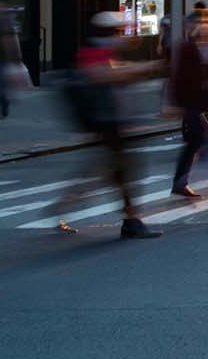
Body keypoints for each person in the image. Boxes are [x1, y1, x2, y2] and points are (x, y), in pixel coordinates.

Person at [55, 12, 162, 238]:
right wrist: (147, 68)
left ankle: (67, 202)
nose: (120, 37)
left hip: (112, 122)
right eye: (116, 32)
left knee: (110, 170)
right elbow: (105, 76)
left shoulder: (103, 52)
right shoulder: (92, 53)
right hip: (106, 122)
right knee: (123, 171)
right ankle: (130, 221)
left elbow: (116, 73)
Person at [169, 9, 208, 199]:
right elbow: (179, 77)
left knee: (195, 139)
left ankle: (181, 181)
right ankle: (180, 181)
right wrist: (176, 103)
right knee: (195, 139)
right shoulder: (188, 47)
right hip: (192, 102)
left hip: (203, 102)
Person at [0, 5, 24, 119]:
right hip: (0, 60)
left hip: (1, 60)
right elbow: (12, 42)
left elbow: (11, 42)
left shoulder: (5, 25)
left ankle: (1, 103)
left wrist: (15, 57)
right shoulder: (6, 24)